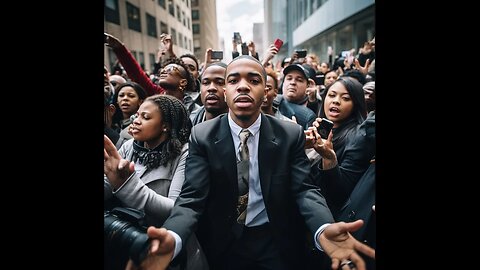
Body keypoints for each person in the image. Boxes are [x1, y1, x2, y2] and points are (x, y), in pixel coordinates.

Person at [126, 55, 374, 270]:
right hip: (222, 243)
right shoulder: (202, 135)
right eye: (233, 80)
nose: (243, 86)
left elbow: (304, 190)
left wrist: (323, 227)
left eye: (253, 80)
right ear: (225, 91)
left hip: (276, 242)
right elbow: (191, 198)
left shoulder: (290, 134)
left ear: (265, 90)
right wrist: (173, 237)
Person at [104, 94, 207, 270]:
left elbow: (177, 210)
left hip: (166, 249)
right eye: (137, 115)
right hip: (130, 241)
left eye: (146, 117)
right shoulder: (130, 146)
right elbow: (109, 183)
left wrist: (127, 185)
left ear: (165, 125)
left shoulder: (185, 153)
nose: (135, 121)